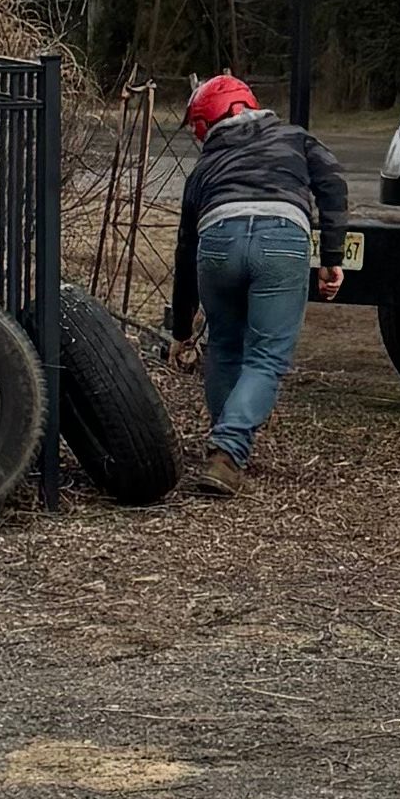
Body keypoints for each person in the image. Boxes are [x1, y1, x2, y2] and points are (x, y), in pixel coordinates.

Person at [165, 71, 353, 488]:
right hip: (282, 239)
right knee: (266, 356)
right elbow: (333, 186)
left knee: (224, 348)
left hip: (218, 241)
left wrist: (181, 328)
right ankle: (228, 449)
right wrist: (331, 257)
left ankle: (224, 445)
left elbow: (184, 248)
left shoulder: (205, 168)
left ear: (204, 124)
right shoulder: (296, 138)